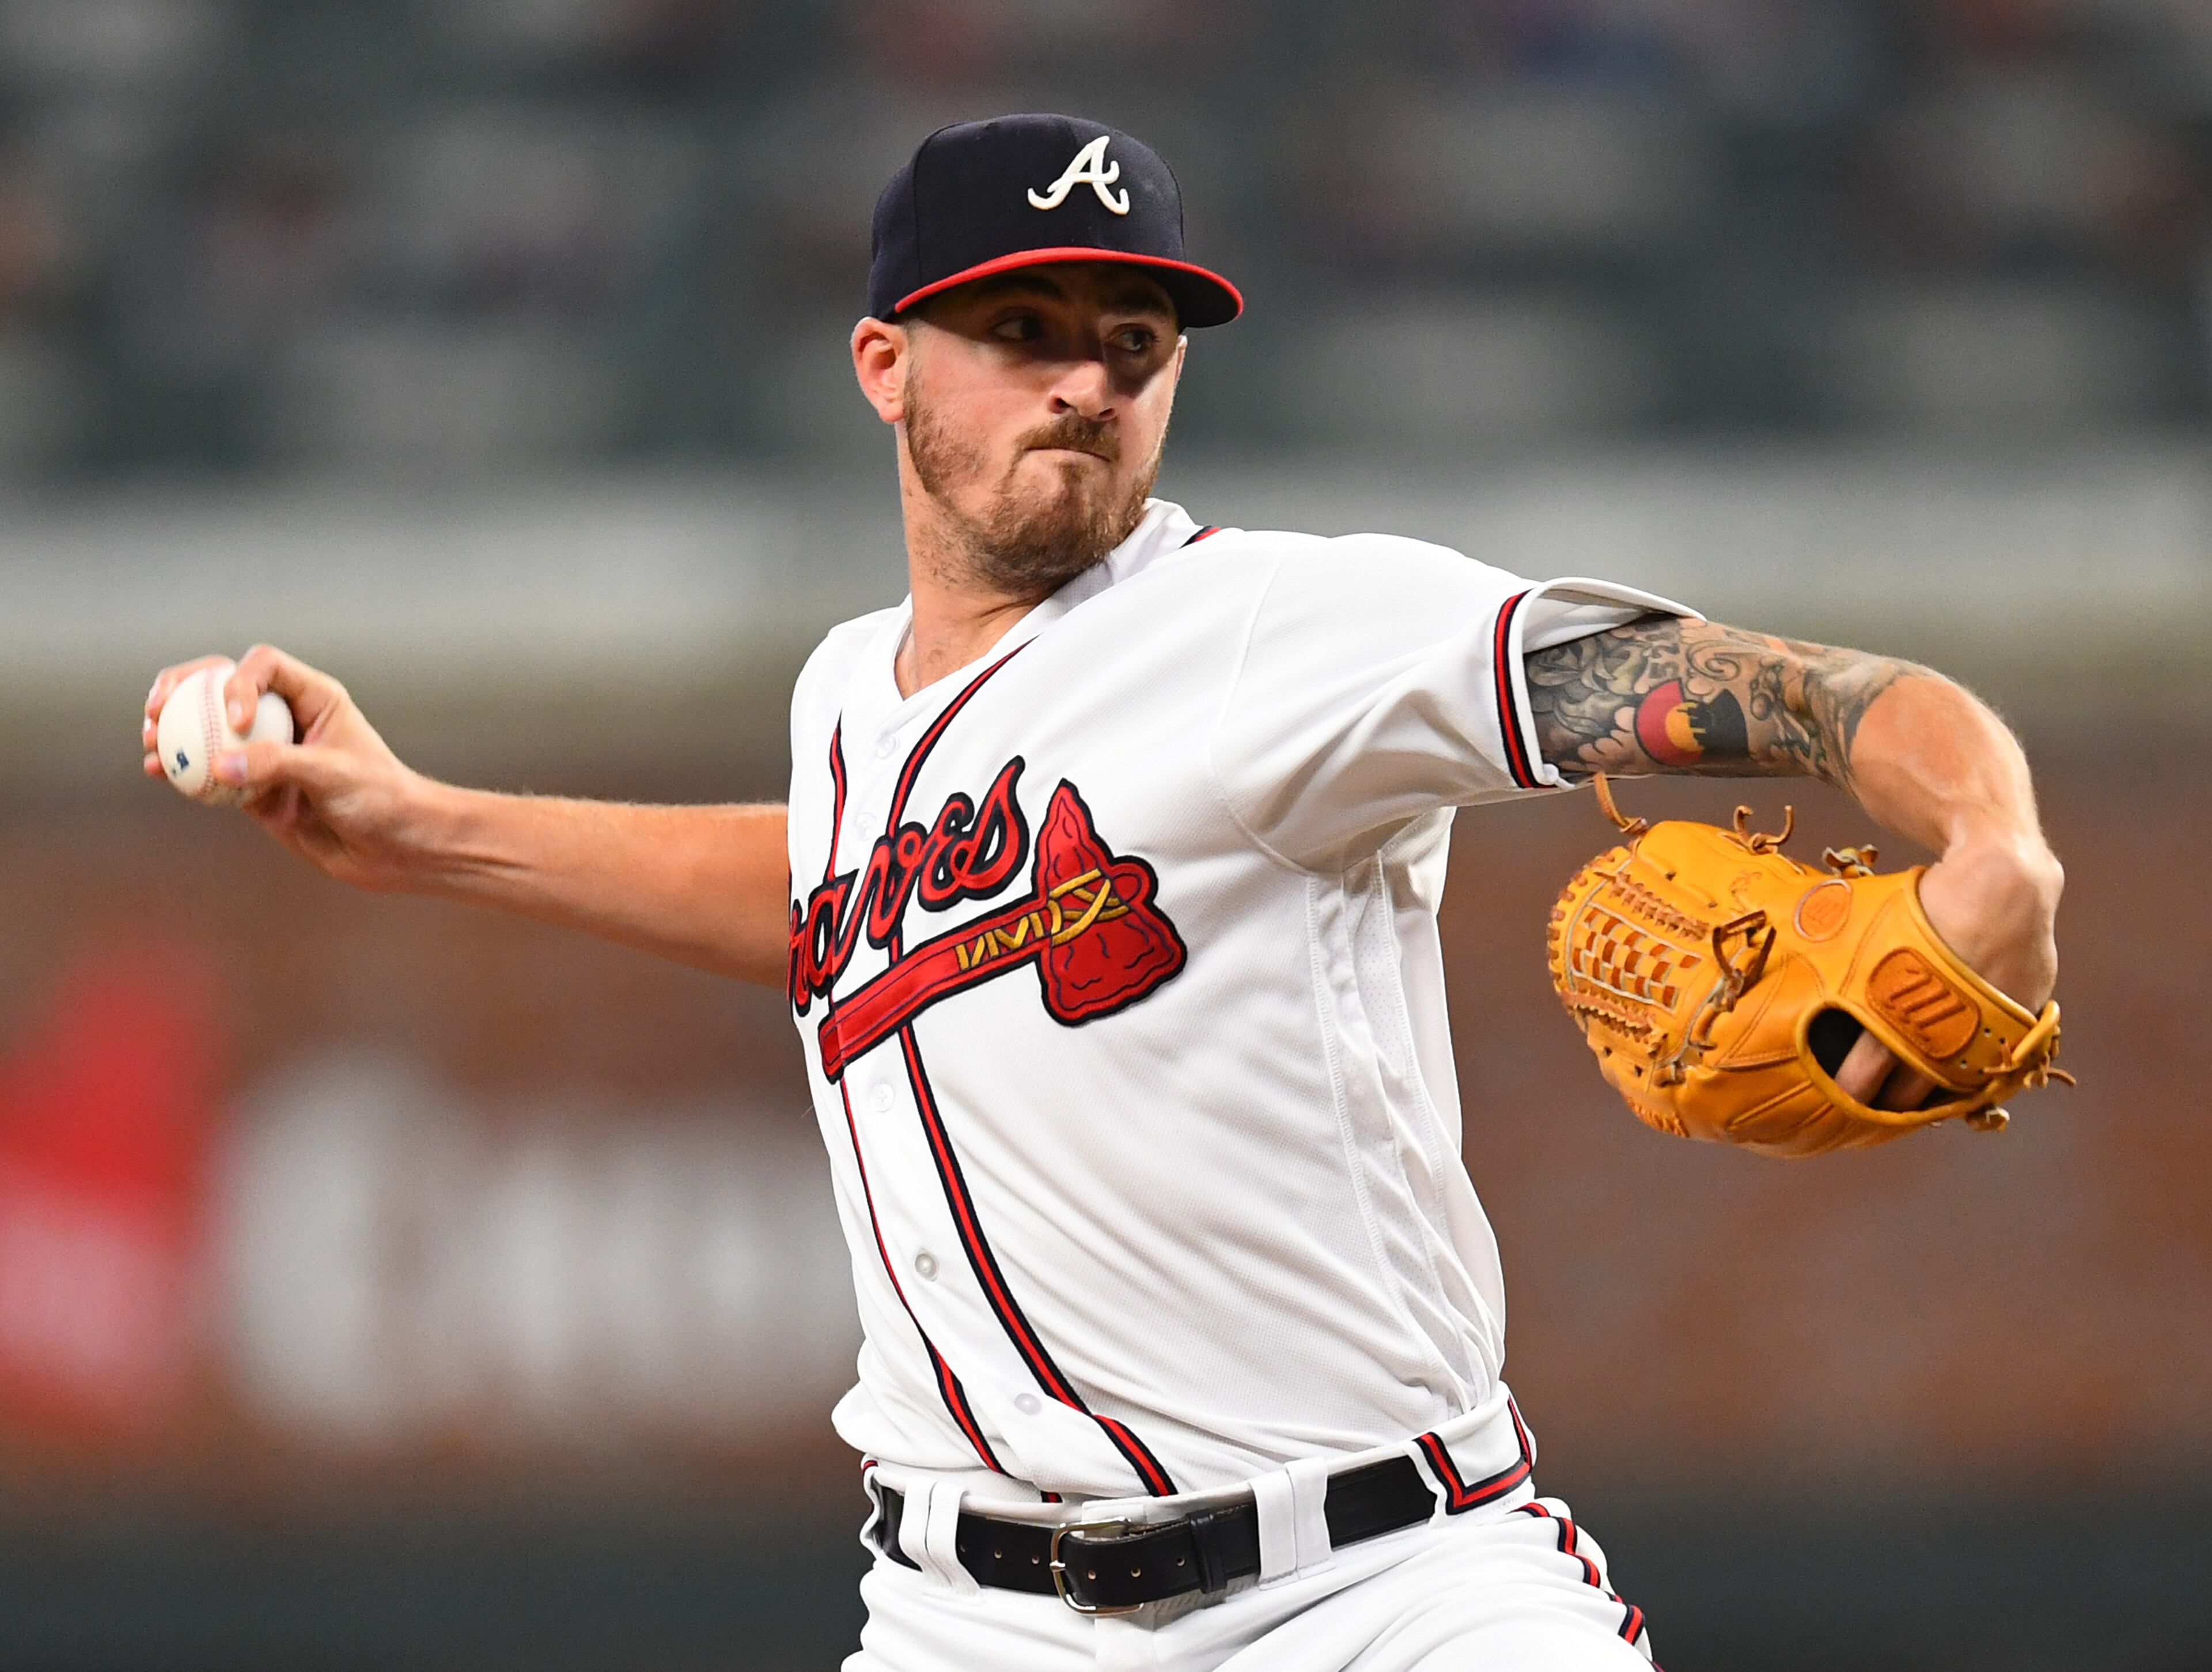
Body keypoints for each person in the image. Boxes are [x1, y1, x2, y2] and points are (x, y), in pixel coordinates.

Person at [142, 115, 2061, 1670]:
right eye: (1027, 332)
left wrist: (1998, 848)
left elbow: (1820, 694)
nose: (1085, 382)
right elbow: (831, 907)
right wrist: (414, 826)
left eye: (1131, 347)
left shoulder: (1285, 633)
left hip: (1380, 1592)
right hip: (967, 1617)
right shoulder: (845, 697)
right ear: (886, 366)